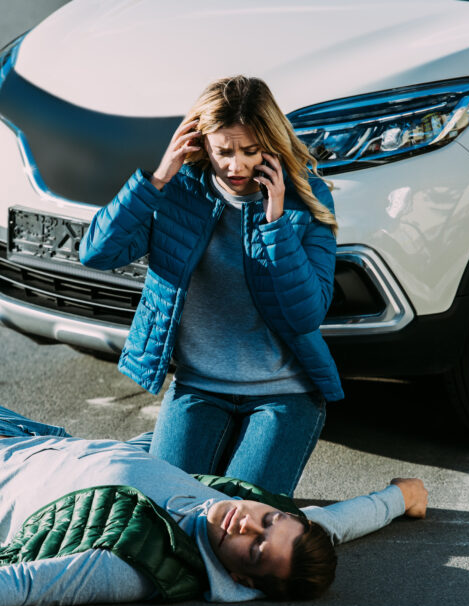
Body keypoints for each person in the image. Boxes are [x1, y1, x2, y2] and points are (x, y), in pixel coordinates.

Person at [0, 331, 427, 606]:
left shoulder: (133, 566)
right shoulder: (256, 525)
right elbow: (331, 522)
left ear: (243, 579)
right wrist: (398, 499)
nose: (248, 520)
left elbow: (21, 584)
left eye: (253, 545)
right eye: (269, 519)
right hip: (67, 445)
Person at [79, 75, 341, 497]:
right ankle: (155, 455)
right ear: (201, 143)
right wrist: (158, 179)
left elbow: (307, 313)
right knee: (165, 509)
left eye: (249, 151)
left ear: (271, 146)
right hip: (199, 387)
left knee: (235, 522)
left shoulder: (307, 200)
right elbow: (97, 253)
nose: (236, 166)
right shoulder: (179, 191)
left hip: (284, 395)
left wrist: (275, 225)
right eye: (223, 151)